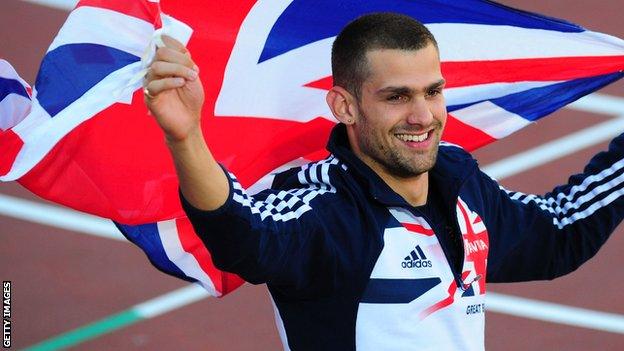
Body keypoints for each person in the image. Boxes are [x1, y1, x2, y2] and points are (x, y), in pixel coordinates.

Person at [143, 13, 624, 351]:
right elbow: (243, 233)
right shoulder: (326, 208)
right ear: (345, 107)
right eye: (397, 97)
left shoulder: (460, 184)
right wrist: (186, 137)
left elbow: (557, 233)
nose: (423, 116)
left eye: (433, 92)